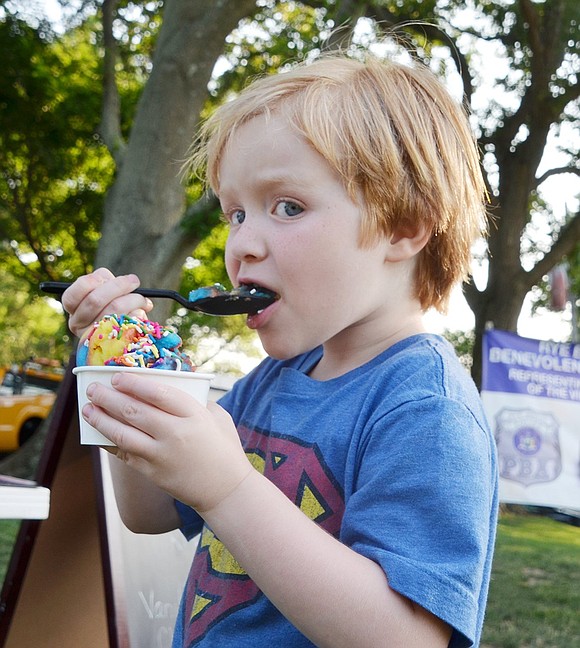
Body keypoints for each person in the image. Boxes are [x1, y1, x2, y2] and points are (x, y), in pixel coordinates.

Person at [63, 52, 498, 648]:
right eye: (235, 214)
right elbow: (150, 513)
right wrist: (119, 365)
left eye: (287, 207)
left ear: (404, 227)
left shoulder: (424, 409)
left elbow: (407, 639)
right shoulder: (274, 380)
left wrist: (230, 490)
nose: (241, 243)